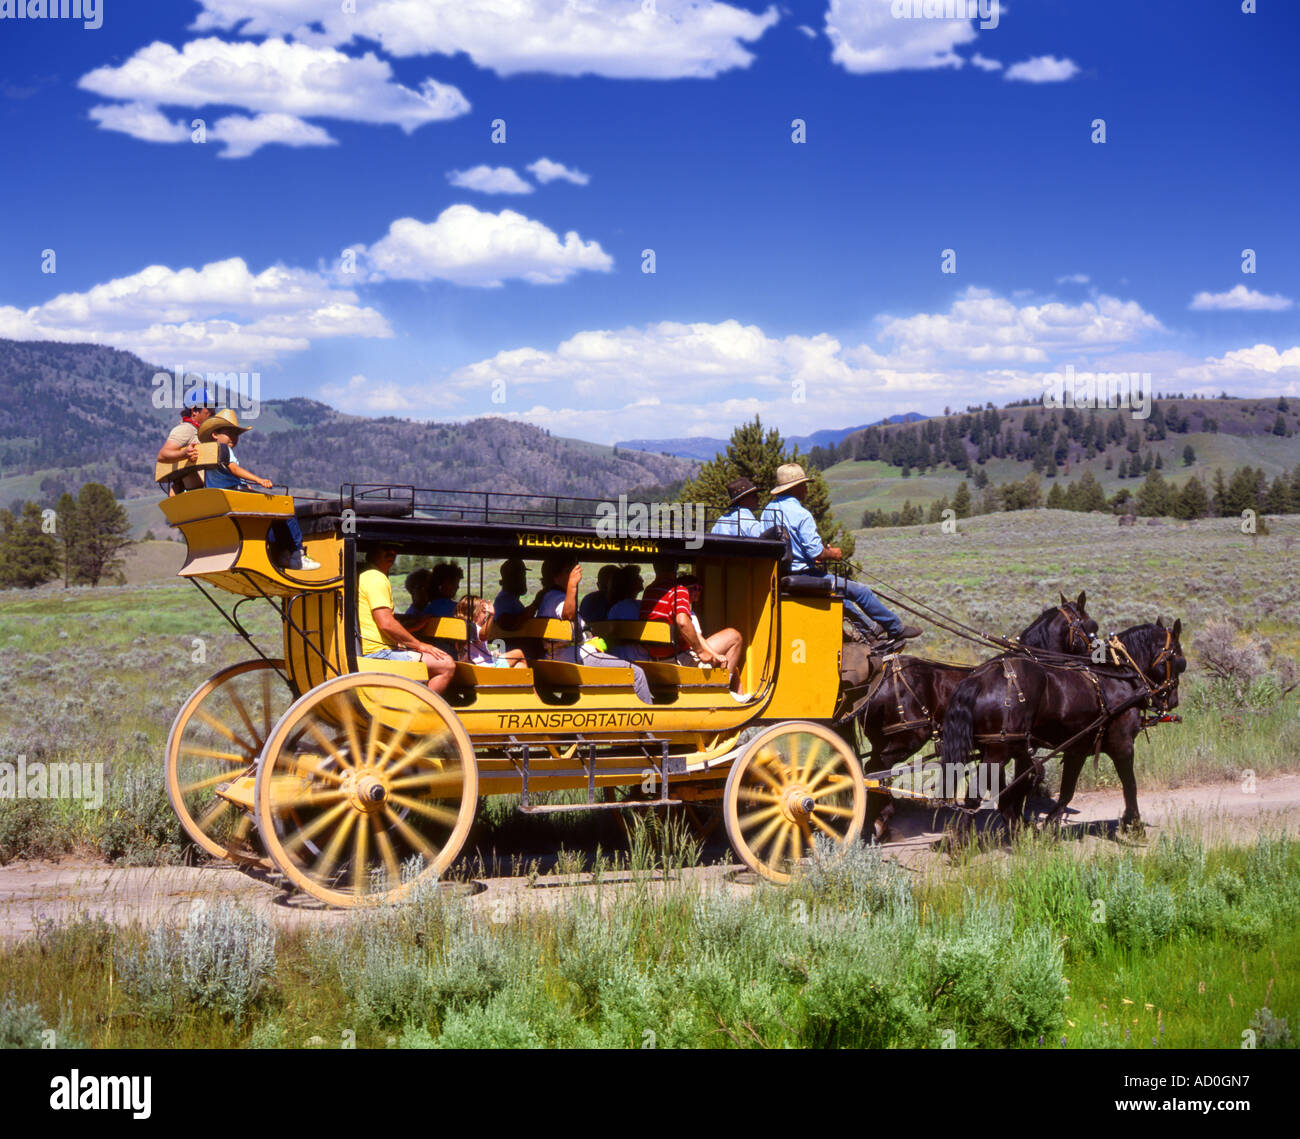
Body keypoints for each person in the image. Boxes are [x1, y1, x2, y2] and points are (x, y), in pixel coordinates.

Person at [760, 463, 920, 642]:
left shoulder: (767, 511)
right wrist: (832, 554)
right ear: (796, 487)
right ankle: (895, 627)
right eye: (804, 485)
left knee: (840, 596)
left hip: (778, 573)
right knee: (861, 591)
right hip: (805, 574)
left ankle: (869, 630)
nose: (806, 489)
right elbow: (816, 553)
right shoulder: (801, 514)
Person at [199, 410, 320, 571]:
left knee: (270, 516)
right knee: (285, 507)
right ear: (215, 434)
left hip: (223, 499)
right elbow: (234, 469)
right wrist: (259, 480)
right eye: (230, 433)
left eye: (236, 434)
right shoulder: (223, 449)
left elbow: (221, 477)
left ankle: (281, 553)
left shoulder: (206, 453)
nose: (234, 438)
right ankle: (296, 555)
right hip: (234, 496)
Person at [534, 557, 653, 704]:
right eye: (568, 572)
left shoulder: (548, 596)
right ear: (558, 576)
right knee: (636, 673)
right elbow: (567, 615)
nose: (574, 575)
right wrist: (572, 586)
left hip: (561, 657)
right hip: (574, 658)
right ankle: (649, 721)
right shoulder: (557, 598)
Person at [637, 557, 748, 699]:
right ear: (675, 568)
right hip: (676, 659)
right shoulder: (678, 590)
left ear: (655, 567)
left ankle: (736, 694)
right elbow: (683, 622)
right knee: (734, 636)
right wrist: (701, 652)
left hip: (654, 657)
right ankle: (723, 693)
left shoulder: (650, 591)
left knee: (727, 658)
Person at [356, 544, 456, 695]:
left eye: (394, 548)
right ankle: (420, 711)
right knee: (447, 665)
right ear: (372, 551)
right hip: (378, 653)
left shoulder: (363, 576)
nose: (391, 552)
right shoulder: (376, 577)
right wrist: (420, 645)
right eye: (385, 547)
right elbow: (386, 623)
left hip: (370, 650)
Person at [156, 386, 217, 494]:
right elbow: (162, 454)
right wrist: (184, 453)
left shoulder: (200, 432)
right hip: (195, 493)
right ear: (194, 411)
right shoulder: (186, 429)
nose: (213, 412)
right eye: (209, 408)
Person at [454, 595, 527, 668]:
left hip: (470, 666)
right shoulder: (472, 627)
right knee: (518, 653)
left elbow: (476, 646)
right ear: (475, 613)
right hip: (486, 667)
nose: (485, 616)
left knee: (519, 665)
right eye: (483, 612)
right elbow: (482, 636)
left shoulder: (460, 627)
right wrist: (491, 615)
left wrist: (493, 650)